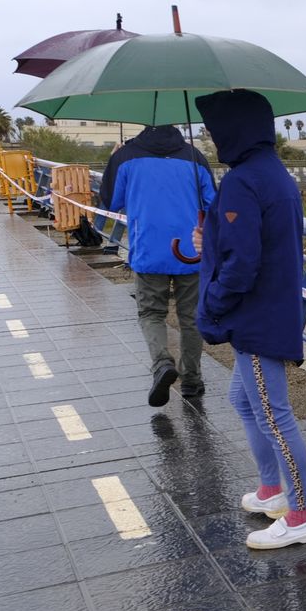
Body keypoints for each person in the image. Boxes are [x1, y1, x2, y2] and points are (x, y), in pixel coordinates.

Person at [193, 90, 306, 550]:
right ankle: (273, 491)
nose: (210, 138)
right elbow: (249, 242)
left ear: (235, 129)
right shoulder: (273, 175)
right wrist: (211, 233)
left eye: (214, 129)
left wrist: (210, 307)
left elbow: (241, 262)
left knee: (273, 413)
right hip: (272, 307)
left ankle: (303, 513)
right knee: (245, 401)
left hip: (257, 316)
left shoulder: (244, 181)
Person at [100, 125, 216, 406]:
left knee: (151, 313)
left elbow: (110, 202)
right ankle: (191, 380)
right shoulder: (195, 156)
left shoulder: (125, 157)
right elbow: (213, 202)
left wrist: (113, 160)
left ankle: (162, 363)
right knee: (191, 318)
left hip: (148, 251)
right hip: (190, 251)